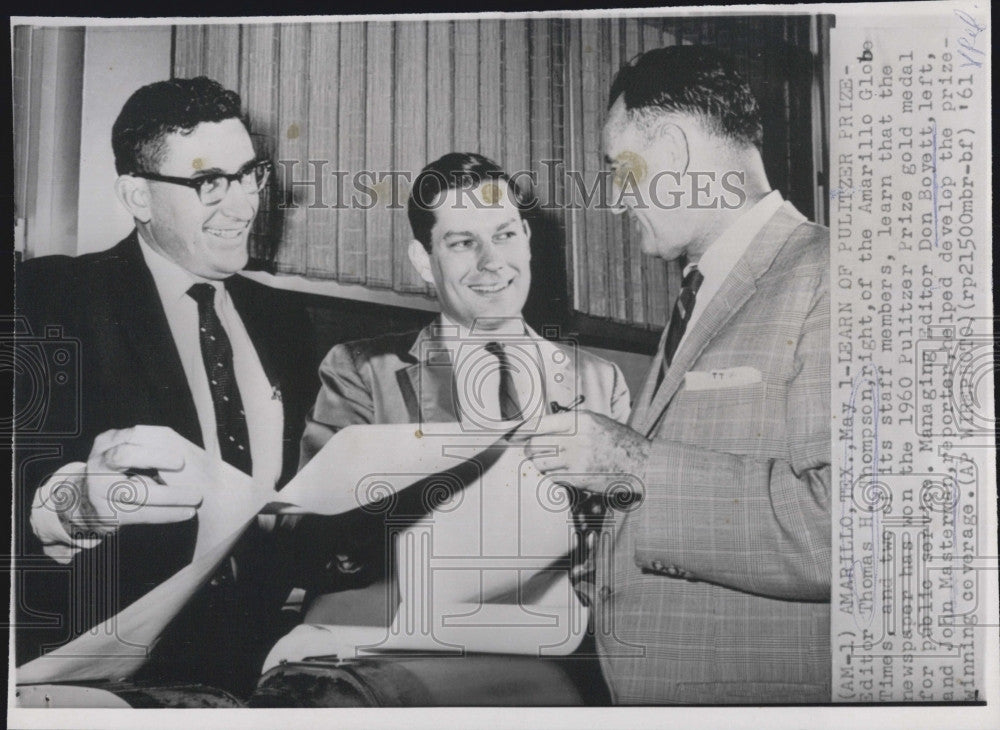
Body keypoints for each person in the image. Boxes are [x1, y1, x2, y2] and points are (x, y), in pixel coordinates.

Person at [521, 46, 831, 703]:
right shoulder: (701, 293)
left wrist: (630, 464)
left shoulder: (835, 271)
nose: (613, 201)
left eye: (619, 168)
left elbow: (850, 531)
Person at [15, 76, 318, 696]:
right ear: (139, 196)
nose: (243, 206)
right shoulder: (49, 300)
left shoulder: (283, 320)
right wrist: (66, 507)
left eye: (249, 174)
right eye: (209, 183)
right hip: (103, 669)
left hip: (266, 654)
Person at [296, 152, 630, 633]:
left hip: (560, 642)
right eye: (462, 242)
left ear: (528, 240)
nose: (492, 262)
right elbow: (313, 538)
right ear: (423, 261)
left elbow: (625, 545)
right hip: (408, 639)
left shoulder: (602, 382)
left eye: (505, 235)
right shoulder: (363, 374)